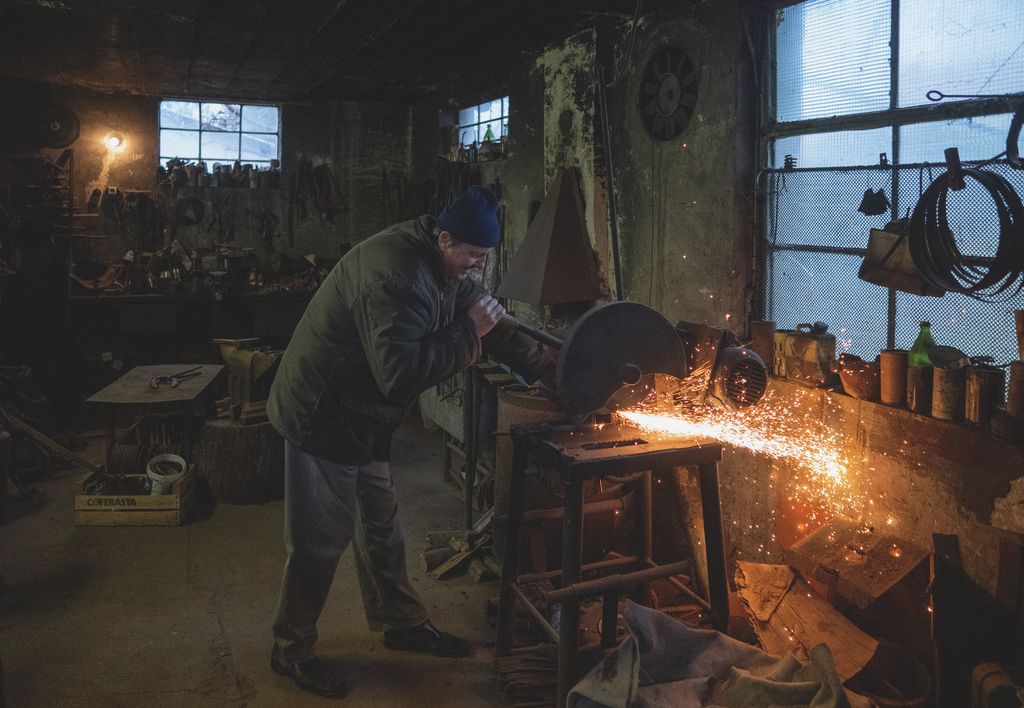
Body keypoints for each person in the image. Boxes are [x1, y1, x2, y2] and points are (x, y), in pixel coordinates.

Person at [266, 186, 548, 698]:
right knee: (318, 541)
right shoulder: (395, 275)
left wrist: (551, 368)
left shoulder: (446, 265)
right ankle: (291, 649)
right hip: (324, 414)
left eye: (484, 258)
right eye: (475, 257)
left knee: (382, 524)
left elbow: (495, 326)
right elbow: (400, 375)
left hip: (366, 415)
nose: (478, 269)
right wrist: (468, 330)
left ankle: (401, 622)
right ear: (445, 239)